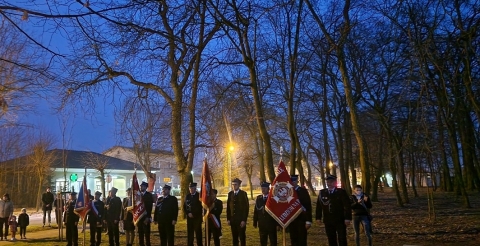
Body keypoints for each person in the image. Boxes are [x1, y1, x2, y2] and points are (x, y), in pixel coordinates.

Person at [316, 175, 352, 246]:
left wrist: (347, 218)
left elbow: (347, 206)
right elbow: (319, 206)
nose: (329, 183)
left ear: (335, 182)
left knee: (342, 238)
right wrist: (318, 217)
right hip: (328, 219)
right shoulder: (322, 192)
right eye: (328, 182)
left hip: (340, 219)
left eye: (331, 182)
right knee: (331, 238)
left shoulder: (341, 192)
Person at [288, 175, 312, 246]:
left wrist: (308, 221)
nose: (292, 183)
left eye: (294, 181)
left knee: (302, 240)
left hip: (302, 219)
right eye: (291, 182)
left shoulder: (303, 191)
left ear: (297, 181)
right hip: (292, 220)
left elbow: (308, 206)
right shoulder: (288, 192)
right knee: (293, 239)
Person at [253, 182, 277, 246]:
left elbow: (276, 211)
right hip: (262, 223)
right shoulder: (259, 198)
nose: (263, 190)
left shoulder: (272, 198)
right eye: (262, 188)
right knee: (263, 241)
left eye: (265, 188)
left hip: (271, 223)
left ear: (268, 189)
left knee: (273, 240)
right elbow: (256, 210)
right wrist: (255, 221)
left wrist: (277, 224)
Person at [227, 178, 249, 246]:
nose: (234, 186)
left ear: (239, 185)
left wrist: (244, 220)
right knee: (234, 238)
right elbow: (228, 207)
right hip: (233, 220)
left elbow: (246, 208)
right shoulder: (230, 194)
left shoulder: (243, 194)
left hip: (240, 220)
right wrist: (228, 219)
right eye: (233, 185)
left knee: (242, 237)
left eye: (235, 185)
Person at [138, 181, 154, 246]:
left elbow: (150, 207)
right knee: (140, 233)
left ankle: (148, 244)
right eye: (141, 186)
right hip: (139, 217)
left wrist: (148, 217)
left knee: (147, 233)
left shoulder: (149, 195)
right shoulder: (138, 195)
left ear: (146, 187)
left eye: (143, 186)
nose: (141, 187)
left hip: (146, 216)